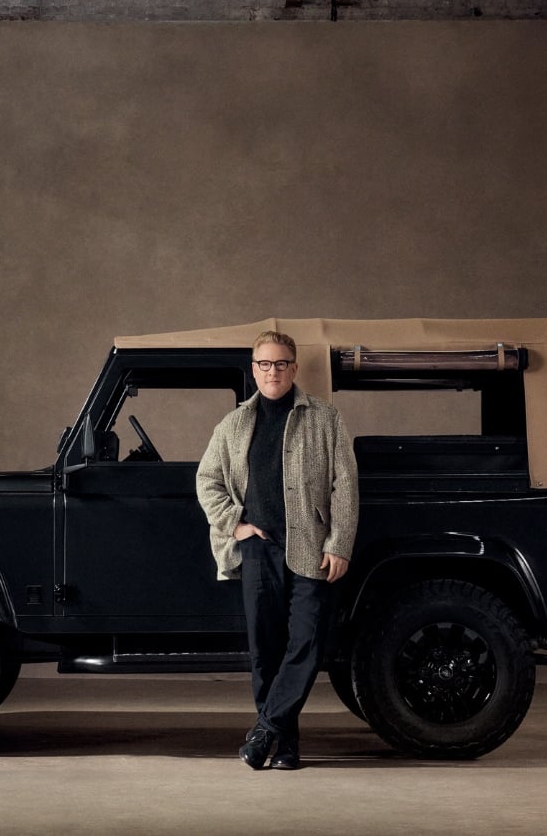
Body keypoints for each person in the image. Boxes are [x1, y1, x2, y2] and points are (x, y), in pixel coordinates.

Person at [196, 330, 359, 770]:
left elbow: (345, 486)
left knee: (305, 643)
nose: (273, 371)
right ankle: (285, 746)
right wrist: (236, 524)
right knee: (265, 651)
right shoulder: (232, 425)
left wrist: (339, 543)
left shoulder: (325, 419)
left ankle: (264, 730)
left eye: (281, 363)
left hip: (311, 549)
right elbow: (206, 481)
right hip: (258, 552)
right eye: (265, 364)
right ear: (254, 370)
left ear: (294, 368)